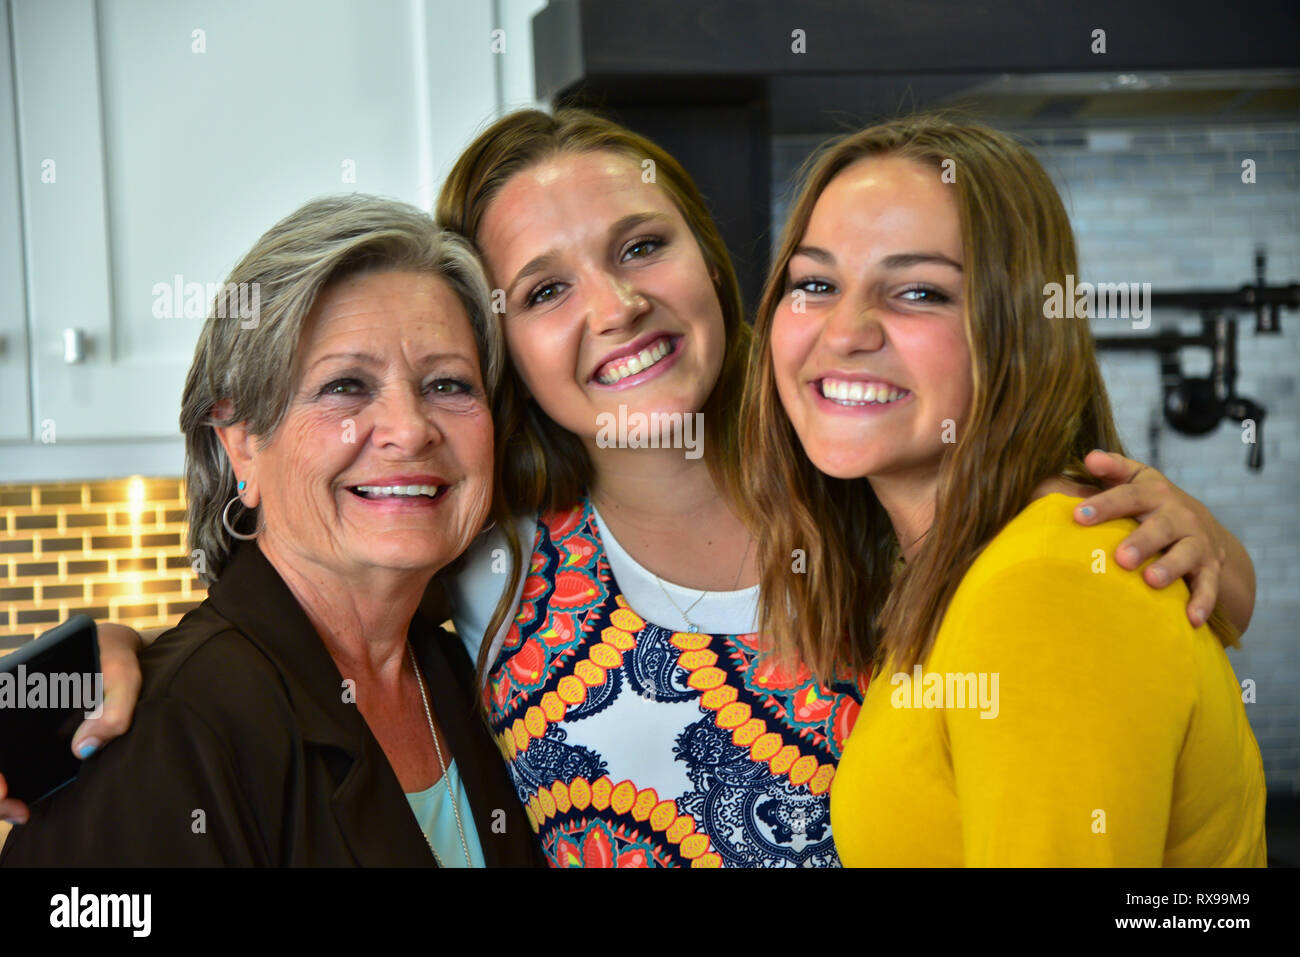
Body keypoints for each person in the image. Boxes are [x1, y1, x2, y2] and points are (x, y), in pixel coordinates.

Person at [4, 109, 1258, 868]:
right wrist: (80, 672)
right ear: (508, 363)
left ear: (716, 268)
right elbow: (297, 600)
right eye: (543, 291)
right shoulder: (489, 567)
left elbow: (1079, 661)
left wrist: (1198, 557)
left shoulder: (874, 508)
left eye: (641, 245)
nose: (614, 307)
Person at [741, 113, 1266, 865]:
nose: (847, 330)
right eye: (816, 283)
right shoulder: (949, 565)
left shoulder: (1047, 586)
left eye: (919, 292)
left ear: (1018, 327)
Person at [0, 195, 541, 866]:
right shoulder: (162, 731)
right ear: (242, 446)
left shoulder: (469, 679)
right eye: (346, 385)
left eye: (447, 384)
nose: (410, 428)